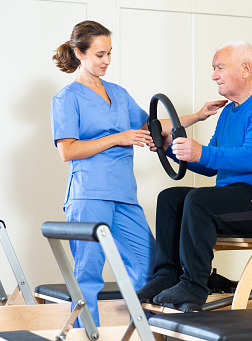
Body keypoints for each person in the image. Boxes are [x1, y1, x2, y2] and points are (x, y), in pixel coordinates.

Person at [50, 20, 226, 326]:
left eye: (109, 54)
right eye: (99, 55)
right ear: (79, 53)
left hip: (123, 196)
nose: (106, 61)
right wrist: (119, 137)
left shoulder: (117, 93)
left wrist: (198, 114)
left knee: (150, 268)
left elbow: (152, 129)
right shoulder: (67, 99)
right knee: (88, 275)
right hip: (89, 195)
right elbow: (68, 150)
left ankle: (139, 331)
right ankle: (85, 334)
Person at [137, 41, 252, 307]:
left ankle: (193, 287)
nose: (214, 75)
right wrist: (169, 148)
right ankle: (167, 275)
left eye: (219, 67)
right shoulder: (228, 113)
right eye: (214, 68)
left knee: (199, 201)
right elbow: (211, 163)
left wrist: (200, 151)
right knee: (170, 198)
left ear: (246, 69)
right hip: (236, 196)